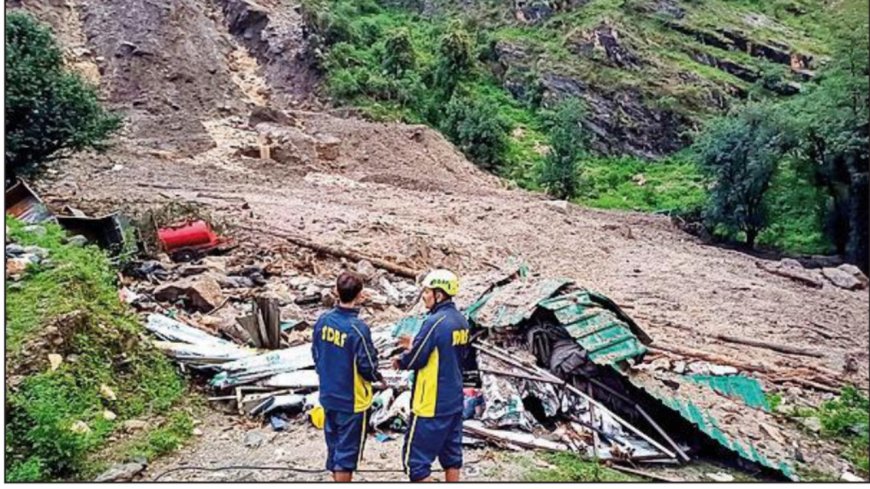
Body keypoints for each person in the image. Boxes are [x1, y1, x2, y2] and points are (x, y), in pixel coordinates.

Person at [392, 269, 470, 482]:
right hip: (453, 400)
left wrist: (400, 361)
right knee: (452, 457)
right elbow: (457, 354)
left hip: (430, 403)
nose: (424, 296)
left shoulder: (434, 322)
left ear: (439, 294)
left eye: (427, 291)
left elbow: (416, 358)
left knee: (415, 465)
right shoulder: (461, 321)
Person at [312, 271, 381, 482]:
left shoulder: (323, 321)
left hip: (328, 395)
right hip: (352, 401)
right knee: (346, 456)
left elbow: (315, 353)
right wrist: (377, 376)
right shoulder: (358, 329)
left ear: (336, 291)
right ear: (360, 296)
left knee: (334, 448)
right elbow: (367, 365)